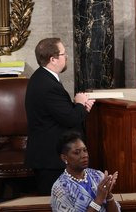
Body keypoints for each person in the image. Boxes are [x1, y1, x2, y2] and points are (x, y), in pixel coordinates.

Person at [25, 37, 95, 195]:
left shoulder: (42, 77)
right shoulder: (48, 85)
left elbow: (59, 112)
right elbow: (70, 119)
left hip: (48, 154)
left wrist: (82, 107)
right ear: (53, 59)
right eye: (64, 54)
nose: (67, 57)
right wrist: (79, 104)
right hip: (50, 158)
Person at [51, 131, 120, 212]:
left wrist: (108, 194)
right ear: (64, 158)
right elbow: (99, 199)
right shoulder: (60, 188)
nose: (84, 155)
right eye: (77, 152)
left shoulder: (98, 176)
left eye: (85, 150)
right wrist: (98, 200)